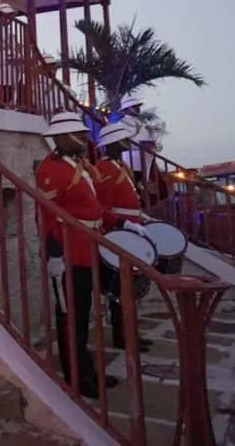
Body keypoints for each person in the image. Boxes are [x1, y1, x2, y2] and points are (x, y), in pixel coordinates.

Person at [36, 111, 120, 399]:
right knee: (71, 317)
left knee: (84, 316)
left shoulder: (79, 166)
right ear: (62, 138)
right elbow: (47, 215)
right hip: (69, 251)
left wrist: (119, 221)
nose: (85, 139)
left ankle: (87, 371)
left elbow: (91, 206)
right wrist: (54, 254)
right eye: (79, 135)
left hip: (88, 247)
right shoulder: (51, 169)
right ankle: (76, 378)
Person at [93, 122, 154, 352]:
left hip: (131, 227)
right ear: (114, 143)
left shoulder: (118, 166)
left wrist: (140, 219)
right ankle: (123, 337)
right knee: (121, 290)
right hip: (121, 233)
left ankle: (130, 334)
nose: (127, 143)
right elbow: (104, 206)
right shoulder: (105, 169)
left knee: (129, 289)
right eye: (123, 139)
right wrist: (123, 224)